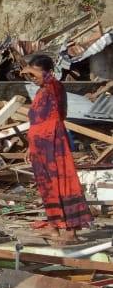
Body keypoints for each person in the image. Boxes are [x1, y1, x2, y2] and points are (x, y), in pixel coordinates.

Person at [23, 54, 92, 243]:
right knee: (46, 187)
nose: (32, 77)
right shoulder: (39, 93)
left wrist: (31, 69)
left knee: (61, 183)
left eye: (35, 73)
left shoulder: (55, 87)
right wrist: (30, 145)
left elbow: (49, 81)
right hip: (39, 146)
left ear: (48, 72)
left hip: (54, 143)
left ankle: (71, 231)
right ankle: (54, 227)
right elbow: (36, 122)